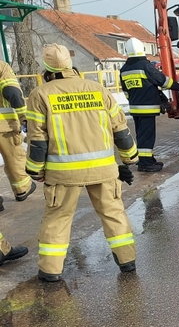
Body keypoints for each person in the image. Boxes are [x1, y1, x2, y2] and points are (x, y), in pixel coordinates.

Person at [25, 43, 140, 282]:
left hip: (63, 174)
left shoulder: (40, 95)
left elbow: (38, 140)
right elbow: (120, 129)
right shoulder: (98, 90)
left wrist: (35, 171)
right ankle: (127, 261)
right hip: (104, 170)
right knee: (113, 213)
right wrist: (129, 158)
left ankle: (50, 270)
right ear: (71, 65)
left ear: (46, 69)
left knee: (58, 219)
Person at [119, 37, 179, 172]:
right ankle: (146, 164)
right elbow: (163, 81)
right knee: (147, 136)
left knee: (141, 135)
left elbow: (126, 91)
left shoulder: (124, 69)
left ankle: (147, 160)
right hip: (147, 109)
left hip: (135, 108)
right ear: (142, 50)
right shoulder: (145, 66)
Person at [0, 60, 37, 208]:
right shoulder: (1, 67)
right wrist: (24, 117)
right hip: (4, 125)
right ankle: (22, 188)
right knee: (14, 158)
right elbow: (12, 92)